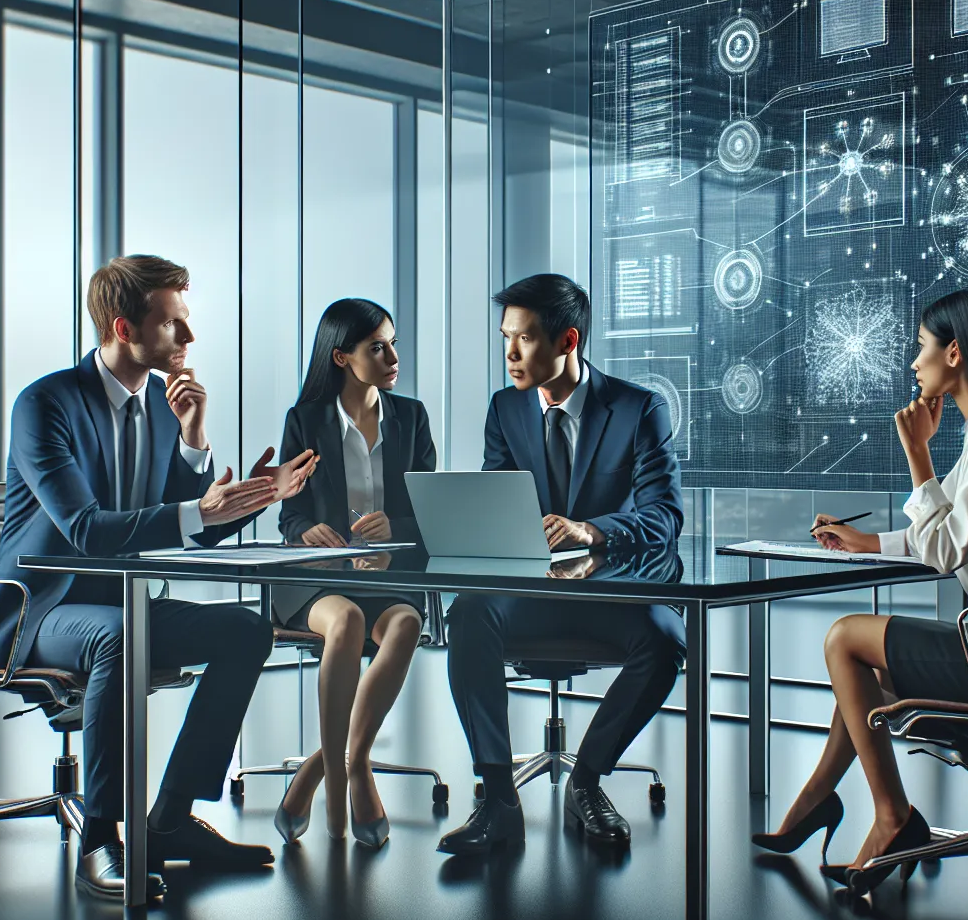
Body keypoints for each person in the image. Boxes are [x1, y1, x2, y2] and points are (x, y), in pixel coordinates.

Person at [0, 255, 319, 902]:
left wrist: (238, 482)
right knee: (120, 636)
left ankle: (171, 820)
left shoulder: (159, 406)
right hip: (40, 610)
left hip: (120, 604)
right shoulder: (46, 406)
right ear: (125, 328)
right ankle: (101, 836)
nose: (188, 341)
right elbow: (87, 529)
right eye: (174, 326)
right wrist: (199, 508)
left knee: (244, 630)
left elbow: (185, 527)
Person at [751, 287, 968, 896]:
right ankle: (815, 802)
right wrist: (867, 543)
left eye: (921, 348)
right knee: (867, 682)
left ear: (954, 352)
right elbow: (939, 532)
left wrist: (917, 454)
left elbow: (946, 550)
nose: (914, 363)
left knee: (844, 639)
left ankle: (892, 817)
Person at [438, 273, 686, 856]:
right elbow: (496, 496)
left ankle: (588, 779)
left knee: (667, 636)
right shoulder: (506, 409)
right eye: (505, 337)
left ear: (568, 340)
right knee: (469, 615)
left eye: (524, 339)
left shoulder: (636, 408)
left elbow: (664, 516)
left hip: (606, 597)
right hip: (529, 595)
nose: (510, 353)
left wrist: (593, 530)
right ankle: (498, 799)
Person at [270, 298, 436, 848]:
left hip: (385, 574)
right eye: (377, 347)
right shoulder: (306, 421)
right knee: (342, 626)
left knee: (407, 625)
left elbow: (432, 508)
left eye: (392, 343)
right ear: (341, 357)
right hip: (317, 576)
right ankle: (350, 779)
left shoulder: (410, 417)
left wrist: (399, 531)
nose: (392, 356)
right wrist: (304, 534)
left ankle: (342, 762)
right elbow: (288, 511)